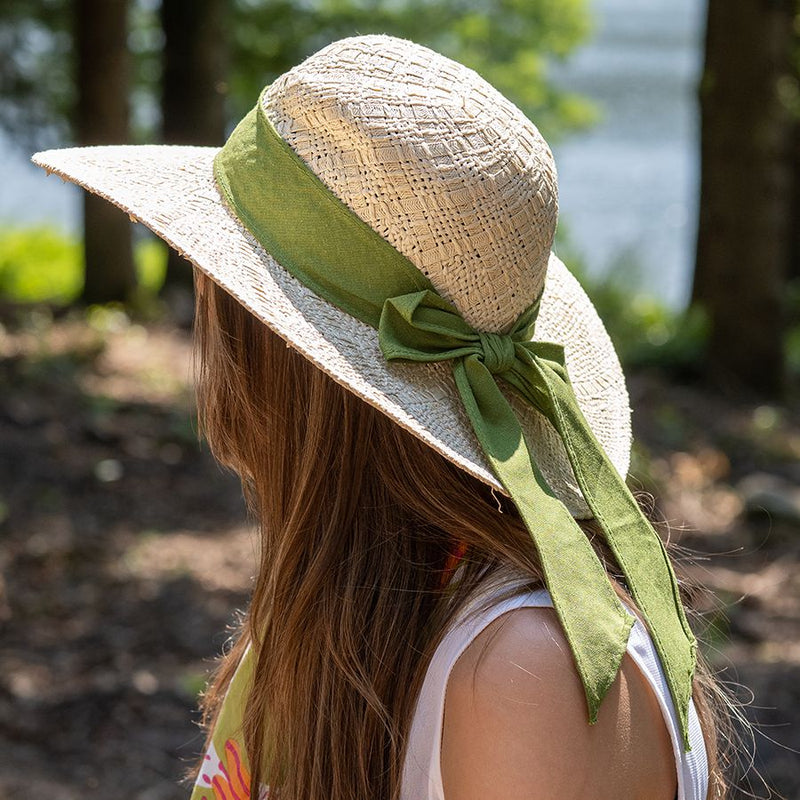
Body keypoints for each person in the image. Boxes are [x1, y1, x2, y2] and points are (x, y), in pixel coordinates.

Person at [34, 34, 731, 800]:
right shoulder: (372, 601)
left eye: (213, 278)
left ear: (270, 344)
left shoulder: (522, 675)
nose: (198, 308)